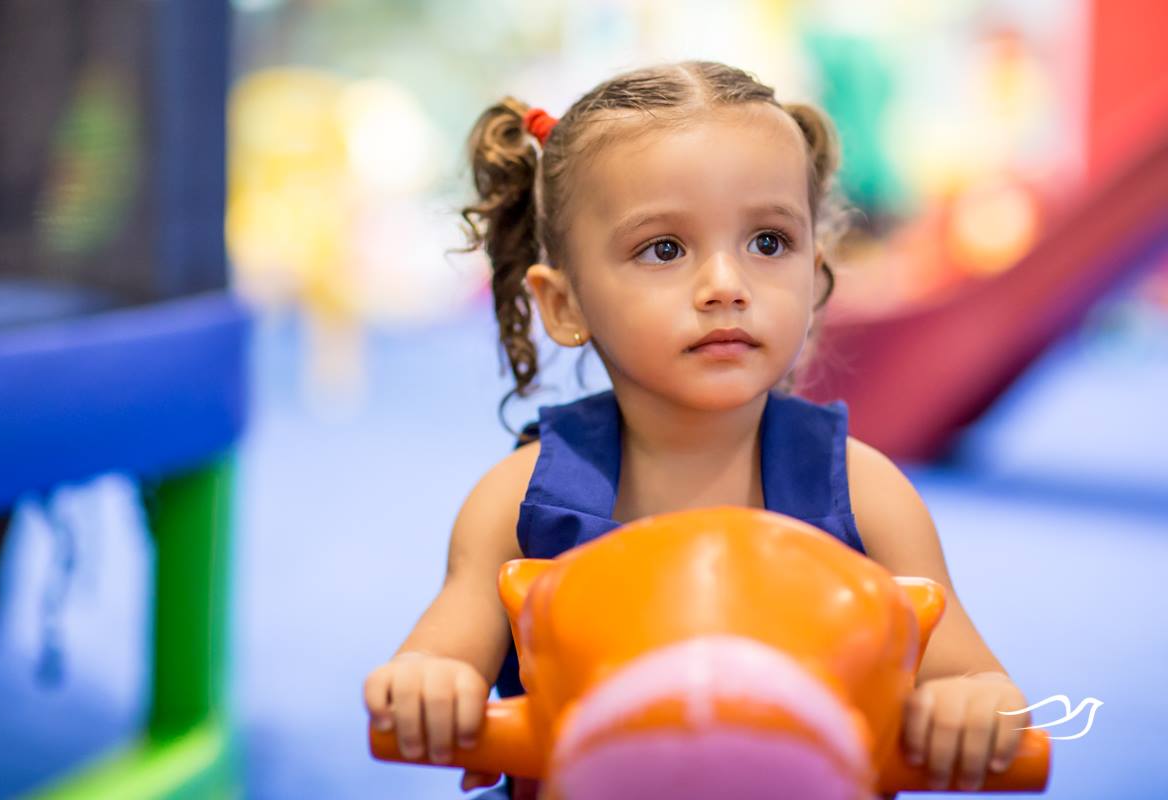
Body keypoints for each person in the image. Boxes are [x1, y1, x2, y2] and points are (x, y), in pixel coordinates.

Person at [363, 60, 1031, 799]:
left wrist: (971, 706)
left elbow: (976, 681)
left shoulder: (865, 494)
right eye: (665, 249)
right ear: (564, 304)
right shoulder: (518, 503)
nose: (726, 285)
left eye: (768, 243)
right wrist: (428, 684)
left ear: (814, 276)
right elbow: (436, 660)